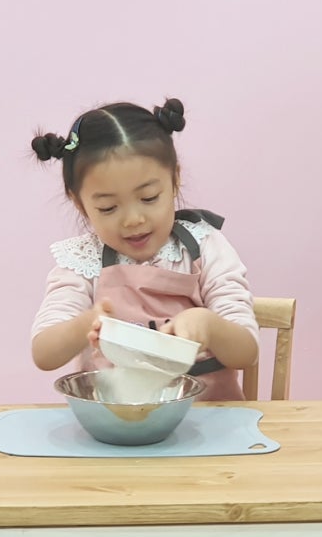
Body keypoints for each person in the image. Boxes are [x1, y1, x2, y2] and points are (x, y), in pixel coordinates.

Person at [29, 97, 259, 400]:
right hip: (116, 421)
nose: (133, 220)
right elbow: (43, 353)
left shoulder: (203, 247)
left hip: (209, 419)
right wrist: (89, 321)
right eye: (108, 208)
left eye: (149, 198)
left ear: (174, 179)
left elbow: (247, 353)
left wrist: (209, 325)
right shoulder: (83, 261)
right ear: (79, 202)